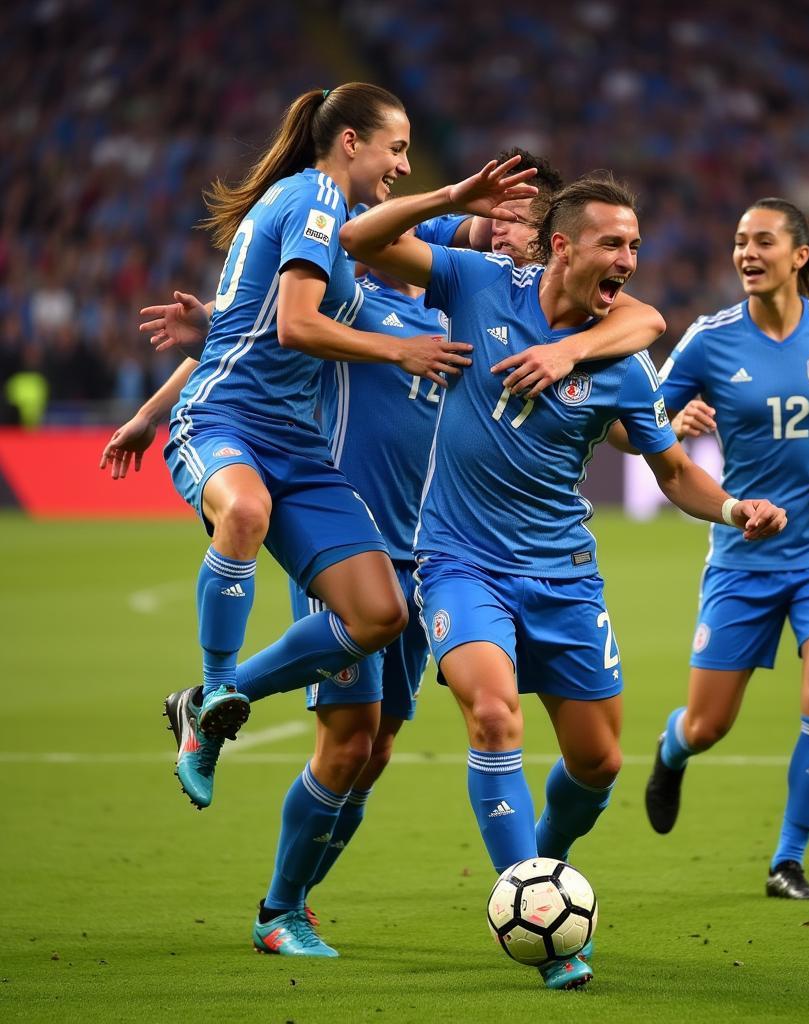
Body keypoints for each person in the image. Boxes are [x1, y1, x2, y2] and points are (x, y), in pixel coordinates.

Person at [103, 151, 667, 956]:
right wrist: (154, 412)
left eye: (526, 221)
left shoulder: (489, 312)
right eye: (503, 216)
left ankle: (237, 764)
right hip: (354, 538)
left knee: (375, 753)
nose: (512, 230)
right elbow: (250, 335)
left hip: (429, 550)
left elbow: (638, 329)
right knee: (346, 741)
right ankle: (278, 906)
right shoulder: (361, 294)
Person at [341, 169, 787, 989]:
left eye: (636, 246)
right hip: (460, 562)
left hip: (565, 575)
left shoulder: (622, 357)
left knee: (600, 763)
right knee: (491, 712)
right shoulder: (476, 282)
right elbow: (360, 241)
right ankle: (538, 920)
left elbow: (673, 470)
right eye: (613, 242)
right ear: (561, 245)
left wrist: (731, 510)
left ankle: (542, 865)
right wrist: (448, 201)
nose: (628, 258)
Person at [118, 82, 494, 958]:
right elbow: (290, 325)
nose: (402, 166)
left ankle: (214, 705)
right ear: (352, 142)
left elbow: (256, 317)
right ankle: (212, 697)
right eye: (394, 151)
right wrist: (401, 345)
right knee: (243, 511)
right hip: (229, 425)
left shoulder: (348, 225)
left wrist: (455, 207)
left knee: (378, 621)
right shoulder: (317, 198)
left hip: (315, 459)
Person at [636, 197, 809, 901]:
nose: (747, 254)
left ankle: (788, 859)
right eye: (740, 241)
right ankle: (672, 747)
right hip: (742, 554)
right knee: (709, 723)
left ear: (799, 255)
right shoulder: (708, 341)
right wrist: (675, 419)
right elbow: (641, 421)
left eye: (763, 241)